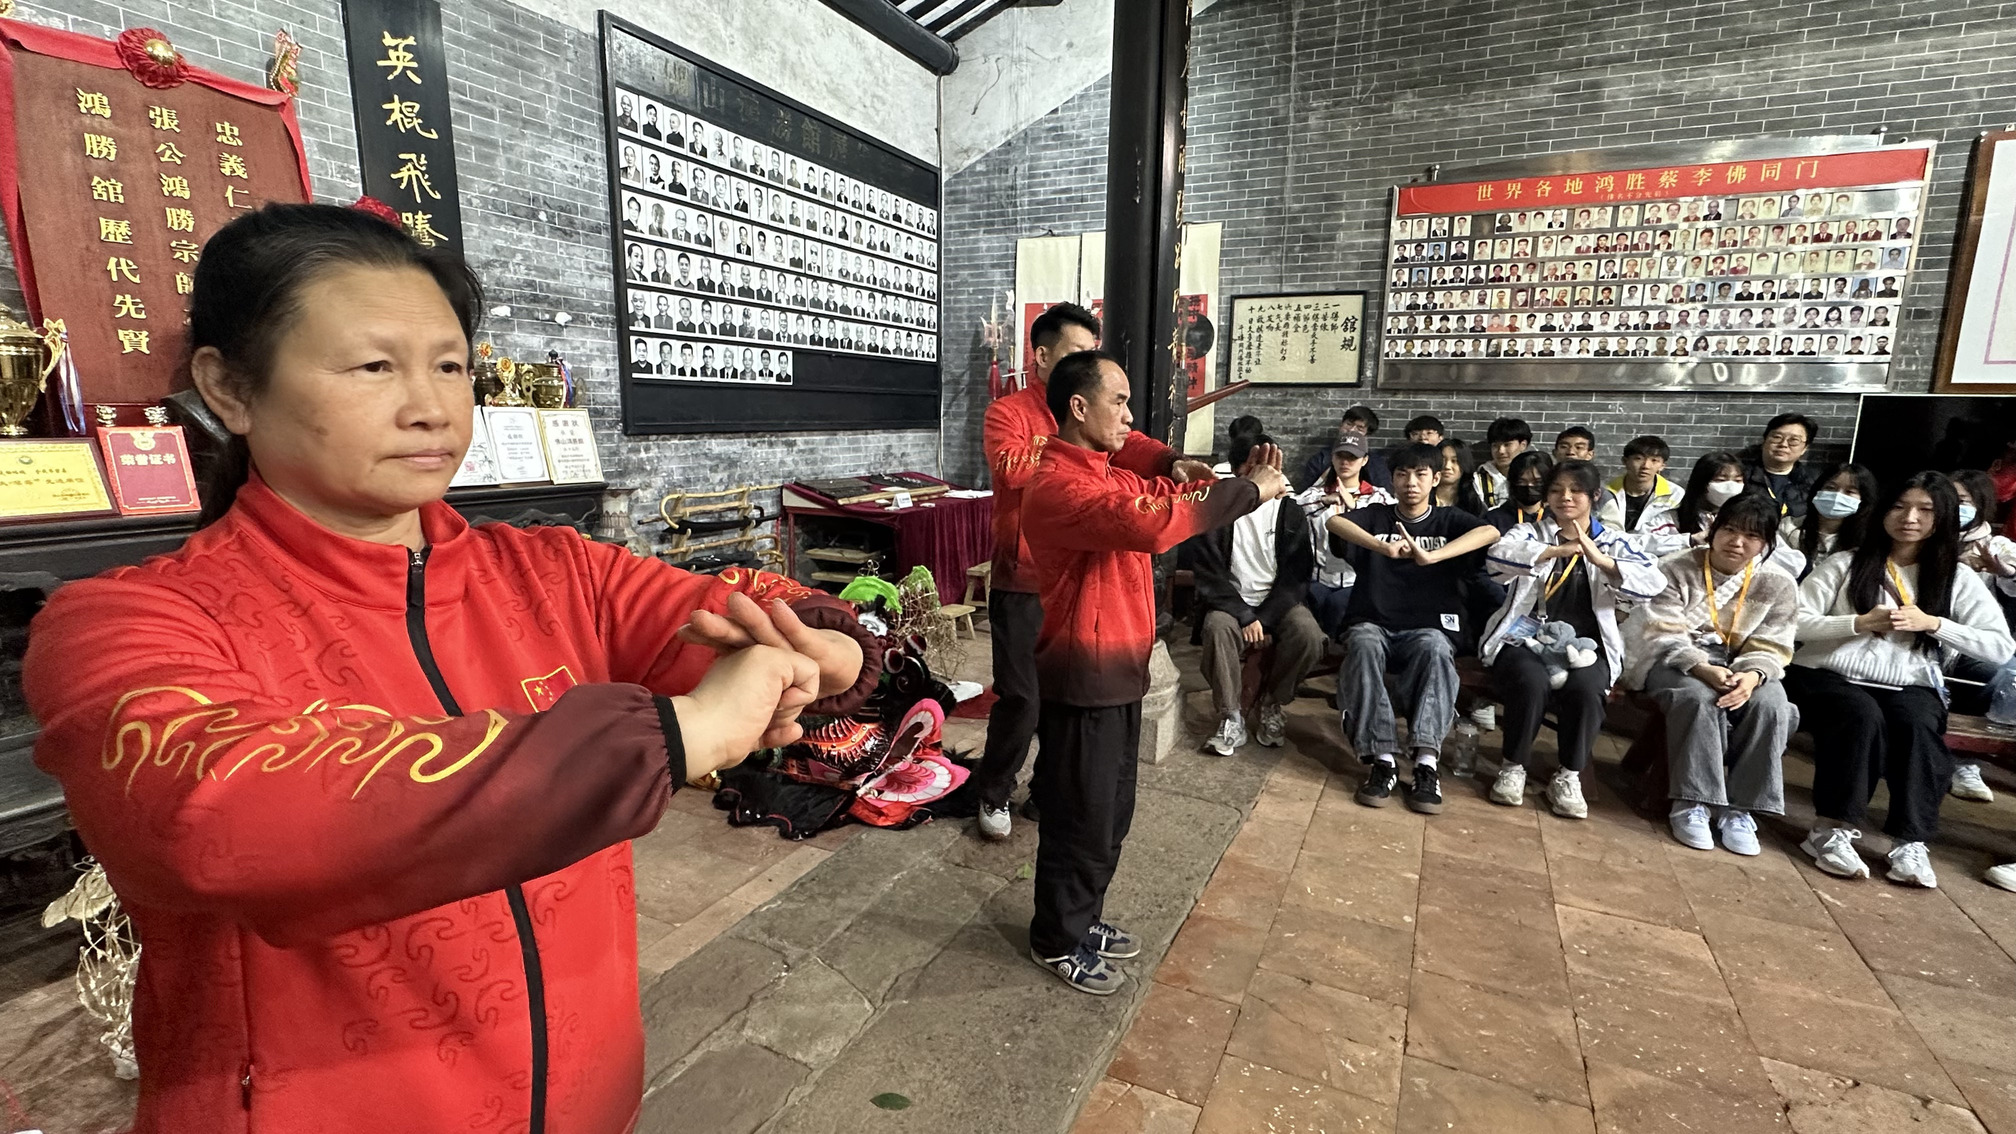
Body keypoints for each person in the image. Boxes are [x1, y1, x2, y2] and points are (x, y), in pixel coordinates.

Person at [21, 203, 880, 1132]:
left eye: (450, 366)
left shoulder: (554, 572)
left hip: (587, 1097)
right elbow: (224, 814)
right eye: (373, 367)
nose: (432, 407)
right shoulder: (128, 622)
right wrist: (678, 734)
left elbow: (726, 605)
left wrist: (819, 643)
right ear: (230, 389)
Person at [1021, 351, 1285, 992]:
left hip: (1120, 671)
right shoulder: (1058, 487)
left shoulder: (1107, 472)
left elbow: (1163, 490)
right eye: (1119, 402)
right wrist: (1250, 492)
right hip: (1083, 677)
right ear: (1078, 408)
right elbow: (1157, 523)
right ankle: (1056, 938)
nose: (1129, 416)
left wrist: (1184, 469)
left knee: (1111, 811)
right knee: (1079, 817)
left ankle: (1083, 917)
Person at [974, 303, 1210, 841]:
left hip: (1079, 585)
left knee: (1068, 703)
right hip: (1024, 579)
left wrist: (1170, 461)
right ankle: (994, 789)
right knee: (1023, 698)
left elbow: (1135, 445)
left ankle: (1047, 792)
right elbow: (1011, 469)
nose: (1086, 359)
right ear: (1042, 356)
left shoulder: (1097, 419)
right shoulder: (1009, 412)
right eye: (1077, 351)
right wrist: (1072, 442)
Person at [1785, 473, 2014, 887]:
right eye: (1899, 506)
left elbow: (1999, 647)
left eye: (1925, 510)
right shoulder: (1846, 562)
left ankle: (1910, 841)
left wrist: (1935, 624)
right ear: (1882, 511)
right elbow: (1793, 621)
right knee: (1860, 716)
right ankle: (1830, 829)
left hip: (1909, 682)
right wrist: (1856, 623)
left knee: (1919, 726)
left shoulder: (1955, 577)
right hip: (1828, 675)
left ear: (1943, 518)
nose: (1909, 518)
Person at [1482, 459, 1664, 818]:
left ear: (1594, 496)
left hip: (1587, 645)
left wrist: (1603, 561)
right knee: (1530, 679)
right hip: (1526, 637)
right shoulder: (1530, 533)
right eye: (1556, 490)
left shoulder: (1613, 541)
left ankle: (1568, 775)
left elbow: (1654, 583)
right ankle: (1513, 766)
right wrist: (1554, 551)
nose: (1565, 497)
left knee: (1587, 688)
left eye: (1576, 490)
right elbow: (1497, 557)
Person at [1326, 444, 1501, 814]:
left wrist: (1433, 556)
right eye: (1402, 474)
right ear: (1392, 479)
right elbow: (1335, 523)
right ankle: (1383, 758)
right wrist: (1381, 547)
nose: (1411, 482)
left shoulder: (1449, 519)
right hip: (1373, 621)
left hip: (1428, 625)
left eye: (1421, 474)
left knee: (1435, 648)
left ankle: (1425, 761)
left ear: (1435, 479)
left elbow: (1489, 532)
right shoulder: (1377, 515)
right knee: (1364, 644)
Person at [1626, 492, 1801, 855]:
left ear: (1766, 544)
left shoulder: (1780, 583)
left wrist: (1752, 675)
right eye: (1730, 530)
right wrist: (1700, 666)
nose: (1737, 542)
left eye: (1751, 536)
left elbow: (1775, 643)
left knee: (1773, 704)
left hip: (1742, 665)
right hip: (1675, 660)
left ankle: (1740, 809)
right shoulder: (1674, 567)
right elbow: (1660, 630)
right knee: (1698, 697)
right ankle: (1692, 802)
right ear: (1713, 529)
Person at [1191, 433, 1325, 755]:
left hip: (1277, 603)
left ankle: (1273, 701)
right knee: (1217, 628)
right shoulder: (1216, 510)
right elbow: (1209, 575)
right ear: (1240, 471)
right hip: (1231, 603)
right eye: (1259, 468)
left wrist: (1263, 619)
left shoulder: (1289, 510)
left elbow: (1297, 576)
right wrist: (1244, 615)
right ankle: (1231, 716)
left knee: (1309, 635)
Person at [1946, 468, 2016, 804]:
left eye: (1963, 501)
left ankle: (1966, 762)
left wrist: (2003, 572)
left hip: (1970, 645)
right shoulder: (1919, 538)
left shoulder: (1997, 547)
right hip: (1922, 637)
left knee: (1999, 673)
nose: (1953, 507)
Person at [1297, 432, 1395, 639]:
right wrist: (1324, 501)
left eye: (1352, 457)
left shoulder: (1379, 497)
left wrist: (1354, 508)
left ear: (1364, 460)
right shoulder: (1315, 494)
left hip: (1357, 581)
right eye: (1340, 456)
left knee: (1339, 605)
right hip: (1318, 578)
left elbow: (1391, 521)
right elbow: (1293, 508)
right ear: (1332, 457)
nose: (1345, 462)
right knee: (1309, 604)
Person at [1597, 435, 1685, 555]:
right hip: (1610, 553)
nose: (1646, 466)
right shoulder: (1605, 492)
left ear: (1662, 466)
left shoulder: (1675, 495)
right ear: (1625, 461)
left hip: (1657, 556)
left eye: (1654, 460)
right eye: (1638, 458)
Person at [1788, 462, 1879, 577]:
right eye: (1830, 488)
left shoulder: (1867, 541)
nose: (1837, 495)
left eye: (1849, 492)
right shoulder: (1788, 527)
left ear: (1864, 500)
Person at [1742, 412, 1820, 522]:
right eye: (1777, 437)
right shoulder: (1741, 476)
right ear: (1764, 440)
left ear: (1804, 448)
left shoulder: (1816, 481)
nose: (1783, 444)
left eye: (1794, 440)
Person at [1299, 405, 1391, 490]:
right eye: (1349, 424)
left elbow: (1384, 491)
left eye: (1359, 428)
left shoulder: (1376, 464)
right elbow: (1305, 491)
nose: (1351, 430)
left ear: (1367, 435)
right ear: (1341, 425)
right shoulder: (1321, 459)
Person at [1485, 450, 1553, 533]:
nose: (1529, 486)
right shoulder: (1494, 519)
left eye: (1537, 482)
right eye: (1522, 481)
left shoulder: (1557, 517)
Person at [1473, 417, 1532, 510]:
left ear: (1523, 445)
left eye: (1507, 444)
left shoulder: (1534, 477)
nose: (1501, 451)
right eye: (1495, 446)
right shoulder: (1479, 479)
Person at [1433, 438, 1486, 515]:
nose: (1447, 466)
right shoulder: (1424, 500)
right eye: (1443, 460)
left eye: (1454, 461)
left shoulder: (1474, 505)